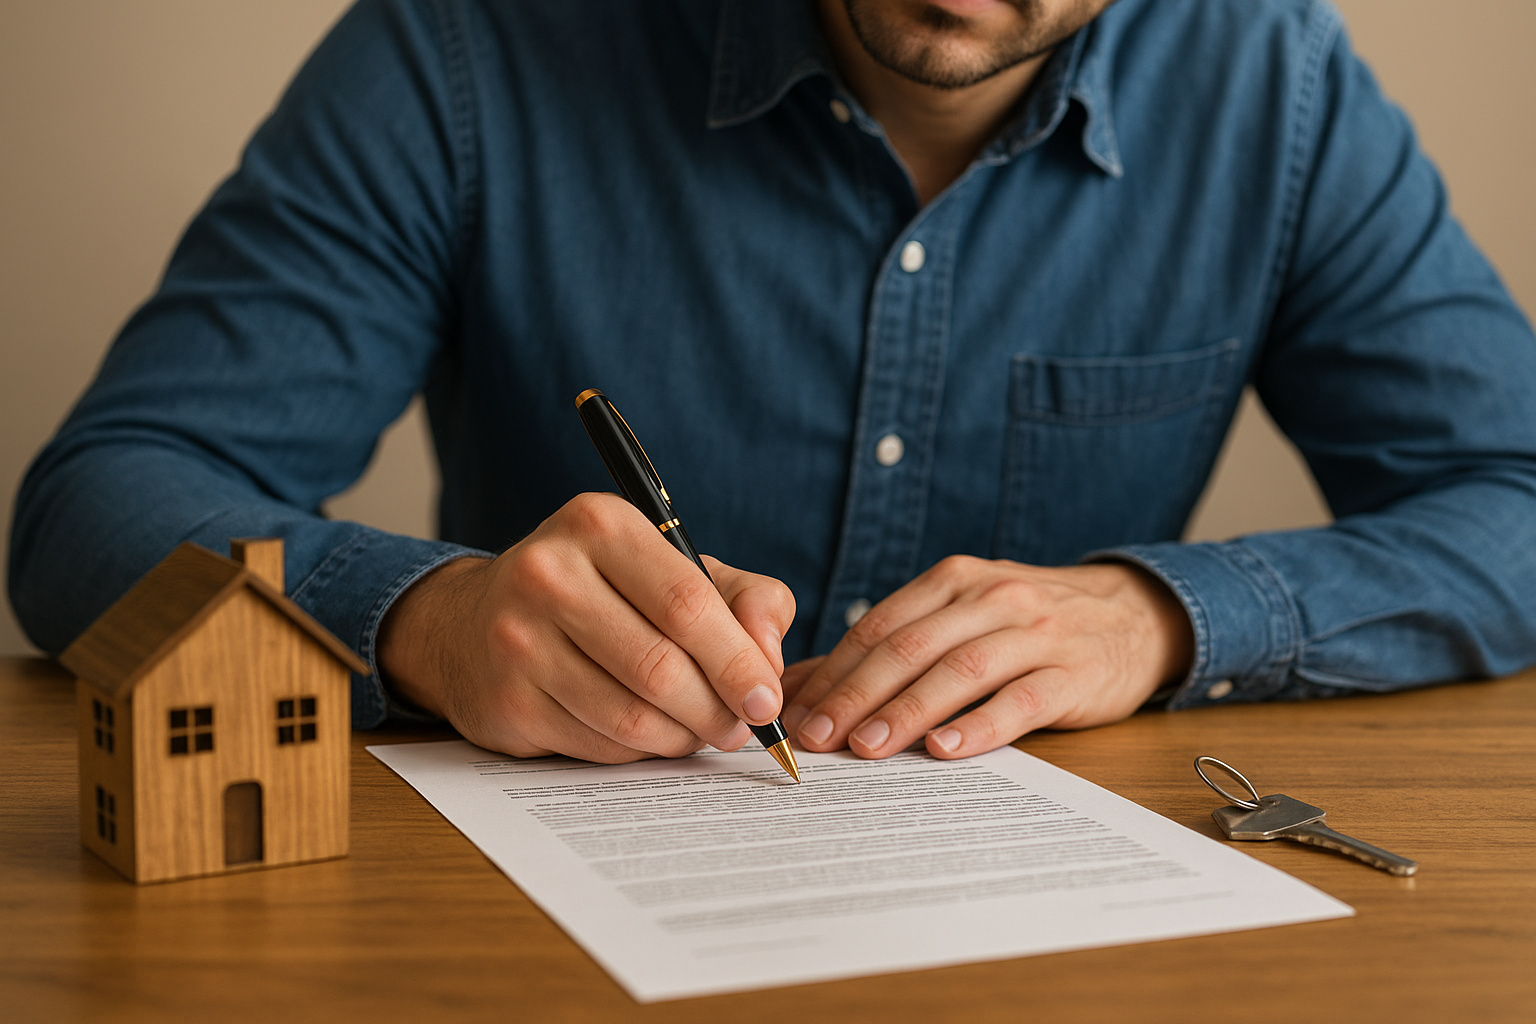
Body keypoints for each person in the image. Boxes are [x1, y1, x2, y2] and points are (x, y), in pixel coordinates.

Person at [11, 0, 1536, 767]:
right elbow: (103, 501)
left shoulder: (1276, 83)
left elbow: (1517, 500)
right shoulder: (470, 44)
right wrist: (422, 618)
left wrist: (1158, 614)